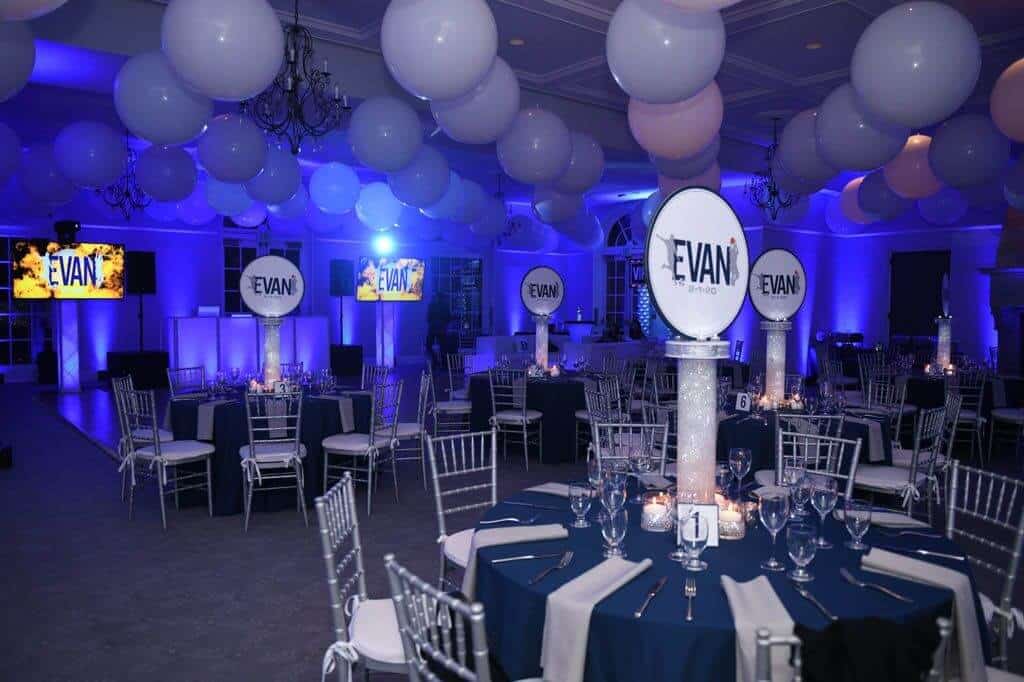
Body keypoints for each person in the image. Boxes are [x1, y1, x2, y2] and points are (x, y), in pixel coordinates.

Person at [426, 294, 451, 367]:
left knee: (429, 346)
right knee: (443, 347)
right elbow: (448, 318)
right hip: (440, 329)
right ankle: (442, 363)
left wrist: (434, 322)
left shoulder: (432, 306)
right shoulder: (444, 306)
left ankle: (436, 361)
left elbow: (428, 318)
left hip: (434, 328)